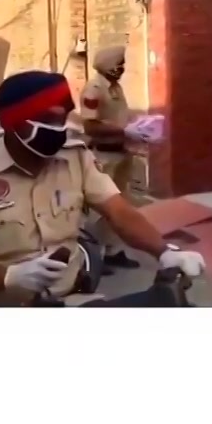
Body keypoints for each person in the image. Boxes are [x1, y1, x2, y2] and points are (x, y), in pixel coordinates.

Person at [0, 70, 205, 307]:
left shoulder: (75, 158)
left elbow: (119, 212)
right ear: (13, 123)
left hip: (72, 300)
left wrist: (165, 252)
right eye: (47, 120)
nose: (59, 129)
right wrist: (9, 277)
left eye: (62, 120)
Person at [79, 44, 139, 271]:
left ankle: (113, 251)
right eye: (118, 64)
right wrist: (125, 131)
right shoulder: (93, 89)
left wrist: (137, 129)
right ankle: (94, 255)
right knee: (99, 208)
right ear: (107, 65)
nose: (121, 68)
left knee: (120, 205)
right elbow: (90, 126)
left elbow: (119, 119)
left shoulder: (116, 88)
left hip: (121, 152)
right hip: (103, 155)